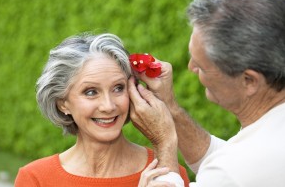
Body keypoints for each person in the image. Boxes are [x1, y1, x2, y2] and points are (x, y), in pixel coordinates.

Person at [128, 0, 285, 186]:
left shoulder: (233, 171)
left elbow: (228, 171)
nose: (191, 67)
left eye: (201, 66)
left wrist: (164, 140)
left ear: (249, 81)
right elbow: (228, 159)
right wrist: (170, 108)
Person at [14, 33, 189, 187]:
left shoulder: (170, 172)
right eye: (91, 92)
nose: (109, 106)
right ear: (63, 104)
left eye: (118, 88)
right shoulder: (35, 179)